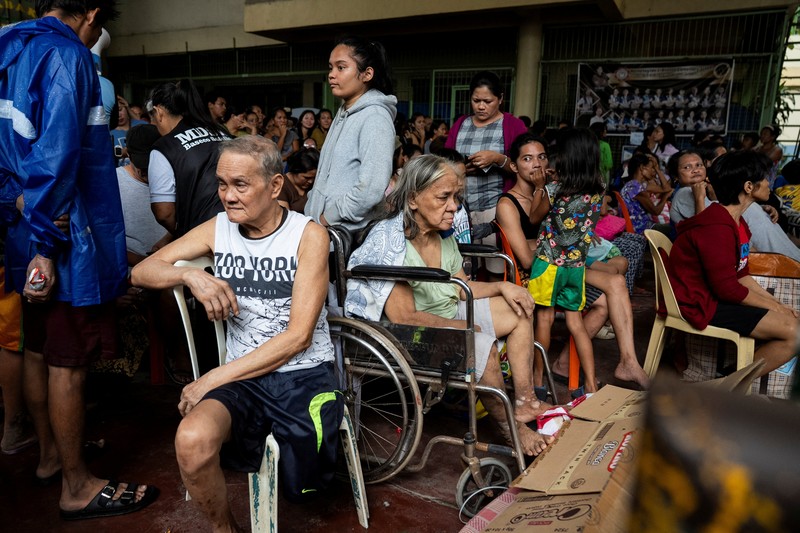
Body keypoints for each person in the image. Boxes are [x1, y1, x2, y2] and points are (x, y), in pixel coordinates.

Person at [131, 136, 341, 532]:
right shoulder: (219, 229)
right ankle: (224, 528)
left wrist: (210, 378)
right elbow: (141, 271)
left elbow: (298, 338)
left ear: (275, 186)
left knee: (307, 479)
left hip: (302, 373)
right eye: (222, 184)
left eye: (240, 184)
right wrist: (190, 274)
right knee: (191, 440)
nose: (227, 196)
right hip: (244, 379)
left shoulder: (308, 236)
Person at [0, 0, 158, 519]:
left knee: (40, 351)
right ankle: (77, 485)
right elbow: (58, 156)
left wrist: (20, 207)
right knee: (69, 362)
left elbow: (15, 158)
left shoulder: (10, 47)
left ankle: (50, 457)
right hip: (65, 242)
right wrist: (47, 245)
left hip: (26, 230)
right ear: (91, 13)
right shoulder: (68, 57)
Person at [345, 155, 553, 456]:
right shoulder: (390, 245)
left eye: (456, 197)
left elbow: (461, 289)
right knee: (481, 344)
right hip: (409, 332)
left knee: (519, 308)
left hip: (445, 312)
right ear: (414, 199)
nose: (454, 207)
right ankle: (512, 430)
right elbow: (404, 318)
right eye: (444, 197)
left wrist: (502, 286)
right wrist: (463, 327)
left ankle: (524, 402)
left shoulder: (442, 234)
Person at [496, 134, 650, 390]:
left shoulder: (556, 189)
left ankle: (628, 361)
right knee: (600, 301)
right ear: (514, 166)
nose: (537, 164)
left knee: (616, 280)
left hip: (561, 262)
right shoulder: (510, 203)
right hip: (543, 267)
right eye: (527, 159)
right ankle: (568, 368)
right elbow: (524, 257)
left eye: (542, 157)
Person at [669, 150, 799, 377]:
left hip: (715, 296)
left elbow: (742, 273)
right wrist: (775, 308)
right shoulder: (717, 227)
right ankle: (728, 384)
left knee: (791, 321)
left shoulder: (735, 222)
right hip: (702, 301)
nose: (770, 183)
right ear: (749, 187)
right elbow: (726, 288)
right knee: (795, 333)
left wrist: (775, 302)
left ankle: (727, 380)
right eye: (764, 177)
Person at [305, 35, 397, 232]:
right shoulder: (343, 112)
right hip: (323, 231)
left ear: (367, 74)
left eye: (341, 67)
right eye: (331, 67)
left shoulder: (375, 116)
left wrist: (327, 218)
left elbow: (370, 189)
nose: (331, 74)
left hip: (347, 235)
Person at [668, 150, 800, 262]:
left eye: (699, 165)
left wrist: (761, 208)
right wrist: (698, 198)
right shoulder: (684, 193)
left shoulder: (706, 190)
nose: (695, 170)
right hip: (711, 256)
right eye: (687, 167)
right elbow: (707, 228)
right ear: (676, 177)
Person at [445, 71, 528, 247]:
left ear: (500, 99)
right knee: (463, 260)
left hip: (496, 206)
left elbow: (525, 169)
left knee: (495, 263)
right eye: (476, 101)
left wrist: (498, 159)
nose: (481, 106)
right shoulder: (461, 124)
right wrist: (462, 169)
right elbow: (444, 163)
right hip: (461, 207)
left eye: (487, 101)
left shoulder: (513, 126)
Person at [147, 79, 230, 237]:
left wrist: (185, 236)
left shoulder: (164, 148)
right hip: (241, 227)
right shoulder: (222, 133)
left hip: (203, 239)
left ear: (158, 112)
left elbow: (164, 213)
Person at [620, 153, 672, 234]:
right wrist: (665, 197)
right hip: (640, 228)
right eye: (652, 168)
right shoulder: (636, 188)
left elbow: (666, 188)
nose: (654, 171)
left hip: (638, 225)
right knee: (674, 229)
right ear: (642, 168)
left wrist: (657, 168)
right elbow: (656, 211)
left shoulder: (634, 185)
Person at [277, 147, 320, 213]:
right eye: (306, 178)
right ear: (294, 171)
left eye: (313, 178)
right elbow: (285, 218)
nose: (311, 181)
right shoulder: (282, 186)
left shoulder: (315, 184)